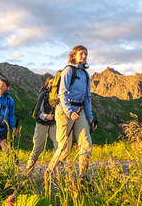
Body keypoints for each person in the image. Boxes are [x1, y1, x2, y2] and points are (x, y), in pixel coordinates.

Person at [47, 45, 97, 182]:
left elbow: (87, 98)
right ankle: (49, 172)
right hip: (64, 111)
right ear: (74, 55)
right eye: (81, 53)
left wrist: (91, 119)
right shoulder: (68, 70)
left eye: (86, 54)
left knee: (86, 144)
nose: (84, 56)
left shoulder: (86, 75)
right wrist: (69, 112)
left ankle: (82, 177)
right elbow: (62, 93)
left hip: (79, 111)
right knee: (64, 148)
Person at [26, 76, 58, 172]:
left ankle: (55, 171)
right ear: (47, 85)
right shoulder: (43, 94)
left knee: (59, 147)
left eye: (54, 83)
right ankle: (28, 171)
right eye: (50, 83)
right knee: (37, 148)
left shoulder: (59, 95)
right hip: (42, 124)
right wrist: (46, 116)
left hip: (54, 124)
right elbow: (37, 111)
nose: (52, 84)